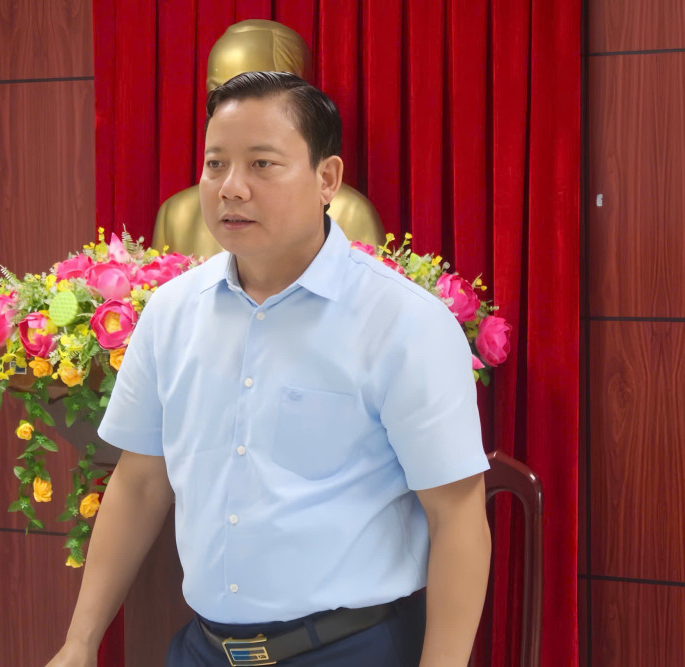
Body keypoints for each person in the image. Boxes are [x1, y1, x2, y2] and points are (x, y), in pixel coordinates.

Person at [46, 72, 491, 667]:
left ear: (327, 179)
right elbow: (140, 482)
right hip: (204, 649)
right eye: (215, 164)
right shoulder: (171, 312)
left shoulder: (403, 322)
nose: (231, 188)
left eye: (262, 164)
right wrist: (79, 644)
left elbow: (457, 516)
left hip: (349, 650)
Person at [152, 19, 385, 258]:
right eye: (220, 93)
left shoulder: (351, 213)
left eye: (262, 163)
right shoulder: (177, 215)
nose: (235, 109)